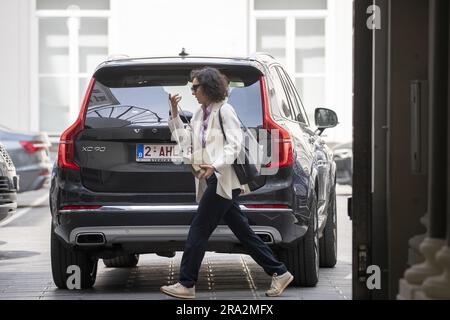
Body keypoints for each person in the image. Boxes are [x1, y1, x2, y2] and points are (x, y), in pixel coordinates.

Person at [161, 67, 293, 299]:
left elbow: (235, 144)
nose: (192, 91)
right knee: (244, 232)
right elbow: (185, 141)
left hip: (223, 179)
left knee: (199, 229)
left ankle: (186, 283)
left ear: (209, 88)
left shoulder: (225, 110)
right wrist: (174, 111)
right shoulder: (201, 114)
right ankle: (279, 271)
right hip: (213, 178)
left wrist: (216, 164)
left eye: (196, 87)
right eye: (191, 87)